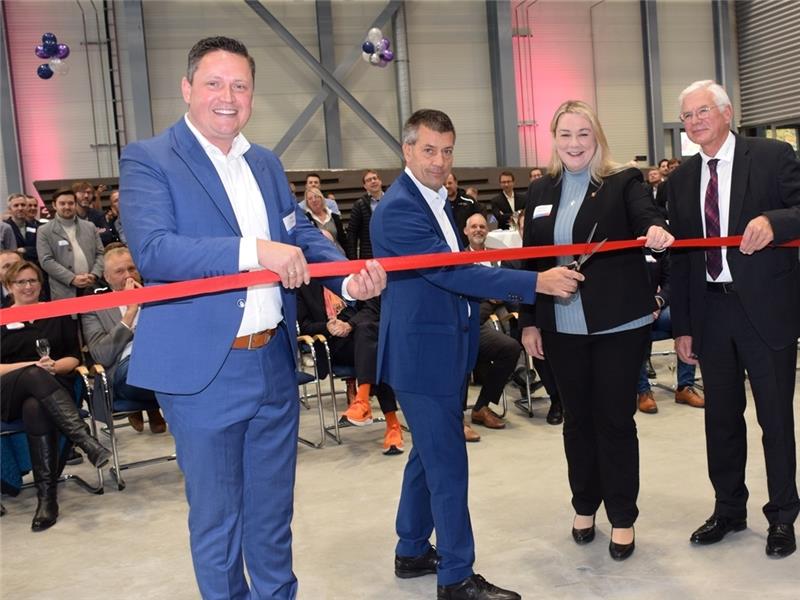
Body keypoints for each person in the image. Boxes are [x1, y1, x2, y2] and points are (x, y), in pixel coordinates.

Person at [119, 36, 386, 599]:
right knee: (219, 522)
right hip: (204, 373)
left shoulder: (263, 162)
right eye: (214, 83)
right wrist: (253, 251)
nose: (227, 96)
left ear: (252, 96)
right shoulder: (149, 159)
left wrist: (345, 274)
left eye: (240, 85)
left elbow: (302, 235)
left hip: (272, 363)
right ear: (187, 89)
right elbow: (156, 251)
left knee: (271, 518)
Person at [371, 108, 582, 600]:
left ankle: (410, 551)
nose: (439, 161)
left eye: (447, 151)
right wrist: (535, 283)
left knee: (427, 456)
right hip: (421, 358)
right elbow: (452, 273)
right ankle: (456, 577)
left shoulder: (437, 202)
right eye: (428, 150)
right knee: (448, 466)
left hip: (441, 352)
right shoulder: (400, 209)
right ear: (406, 150)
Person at [519, 100, 673, 562]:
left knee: (614, 421)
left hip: (616, 324)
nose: (574, 144)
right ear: (554, 138)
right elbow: (531, 259)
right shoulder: (540, 189)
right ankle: (584, 505)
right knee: (577, 421)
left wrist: (656, 230)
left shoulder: (622, 180)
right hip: (561, 325)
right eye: (565, 134)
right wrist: (529, 320)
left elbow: (647, 215)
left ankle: (622, 516)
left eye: (583, 134)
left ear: (597, 136)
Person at [666, 80, 800, 558]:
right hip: (710, 312)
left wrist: (774, 222)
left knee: (775, 419)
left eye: (702, 111)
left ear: (726, 112)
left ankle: (783, 515)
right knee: (720, 419)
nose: (695, 121)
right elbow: (679, 260)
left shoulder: (771, 156)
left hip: (766, 309)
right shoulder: (681, 179)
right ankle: (729, 509)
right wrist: (682, 325)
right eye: (687, 116)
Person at [0, 261, 111, 531]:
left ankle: (47, 500)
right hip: (6, 392)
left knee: (36, 407)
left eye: (33, 281)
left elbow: (74, 357)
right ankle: (83, 439)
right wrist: (32, 368)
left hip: (51, 388)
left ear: (41, 284)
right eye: (21, 282)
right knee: (33, 375)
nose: (28, 287)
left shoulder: (57, 312)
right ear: (8, 287)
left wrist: (52, 366)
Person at [81, 247, 167, 434]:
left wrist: (151, 304)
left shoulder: (157, 296)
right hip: (124, 368)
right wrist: (130, 312)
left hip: (164, 358)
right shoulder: (94, 307)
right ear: (107, 277)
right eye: (119, 271)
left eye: (132, 269)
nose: (128, 275)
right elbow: (101, 356)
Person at [36, 188, 104, 300]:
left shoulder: (90, 226)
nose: (67, 207)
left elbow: (100, 253)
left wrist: (94, 274)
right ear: (54, 205)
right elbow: (46, 260)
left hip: (92, 285)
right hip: (64, 289)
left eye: (71, 203)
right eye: (62, 203)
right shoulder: (44, 231)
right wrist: (72, 278)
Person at [346, 169, 383, 260]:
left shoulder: (391, 200)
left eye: (375, 178)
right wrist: (353, 260)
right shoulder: (359, 205)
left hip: (392, 252)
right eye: (369, 180)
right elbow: (352, 233)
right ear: (365, 186)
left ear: (380, 181)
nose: (373, 181)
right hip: (369, 254)